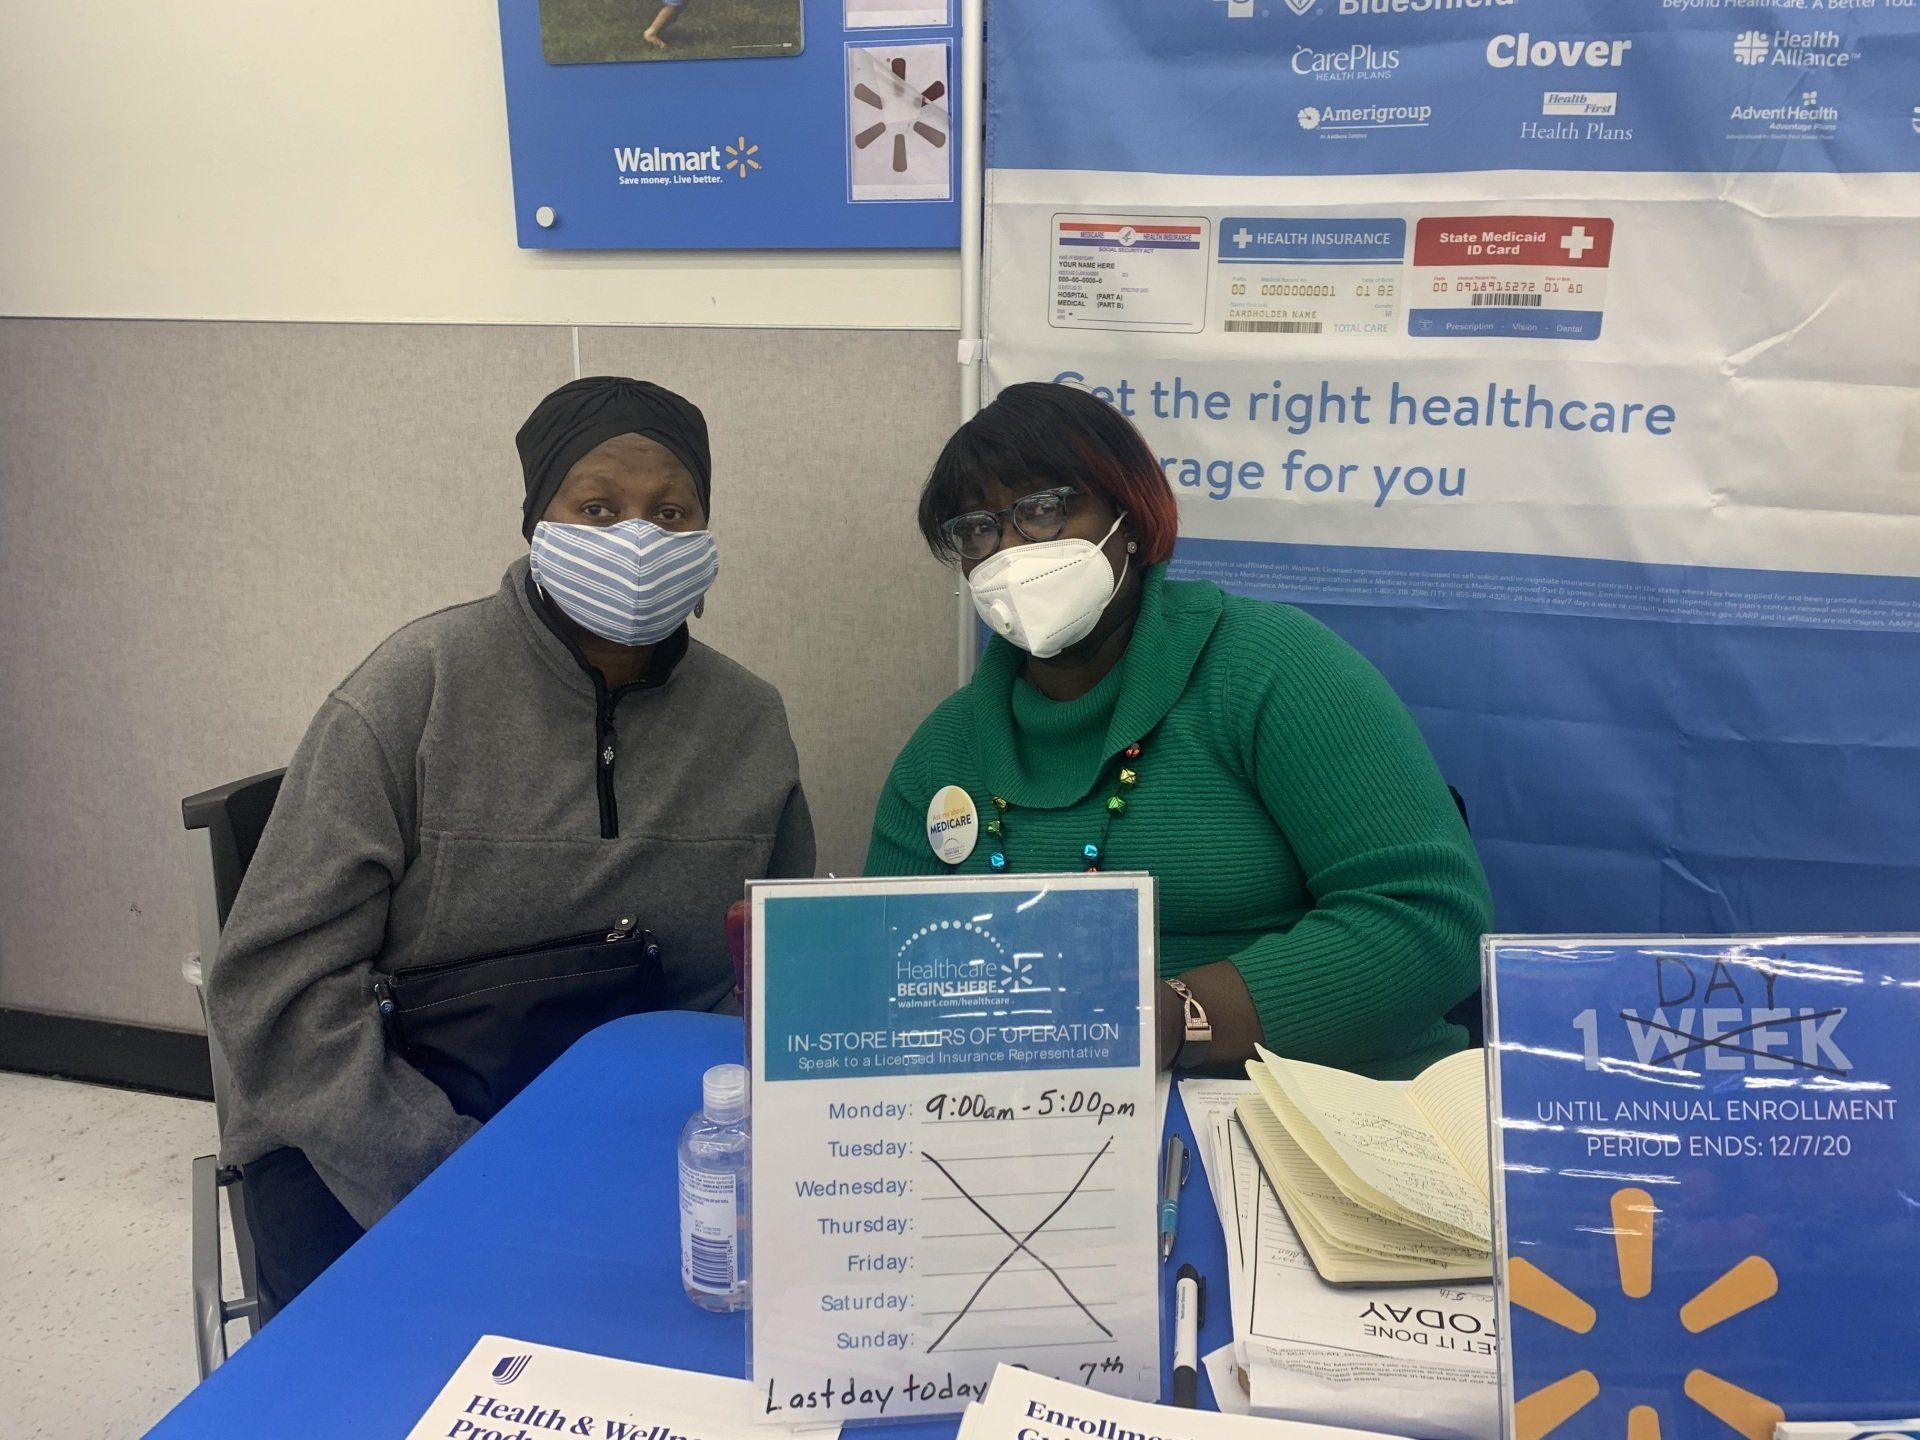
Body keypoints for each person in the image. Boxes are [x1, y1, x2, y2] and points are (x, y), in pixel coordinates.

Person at [206, 376, 813, 1318]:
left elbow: (777, 965)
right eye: (598, 507)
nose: (638, 539)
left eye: (672, 512)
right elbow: (274, 991)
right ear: (538, 521)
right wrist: (457, 1170)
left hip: (653, 1143)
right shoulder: (411, 695)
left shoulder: (750, 721)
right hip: (385, 1133)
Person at [866, 382, 1492, 1079]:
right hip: (1041, 1119)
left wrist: (1179, 1017)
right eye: (978, 528)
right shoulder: (943, 753)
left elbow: (1429, 920)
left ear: (1129, 518)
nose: (1010, 548)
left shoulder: (1273, 670)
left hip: (1318, 1102)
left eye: (1044, 510)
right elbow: (896, 971)